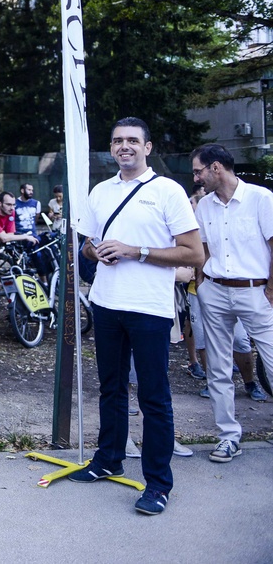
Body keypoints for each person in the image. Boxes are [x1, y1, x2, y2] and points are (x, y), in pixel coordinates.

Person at [70, 117, 202, 516]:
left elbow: (193, 254)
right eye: (117, 141)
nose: (124, 146)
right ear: (111, 149)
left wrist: (135, 251)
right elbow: (88, 245)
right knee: (110, 388)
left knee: (153, 397)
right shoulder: (101, 190)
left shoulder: (167, 191)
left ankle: (158, 484)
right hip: (107, 304)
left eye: (132, 140)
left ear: (147, 148)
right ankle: (109, 458)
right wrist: (98, 251)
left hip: (149, 309)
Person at [190, 143, 273, 463]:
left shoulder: (261, 199)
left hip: (255, 291)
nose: (196, 177)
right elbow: (204, 249)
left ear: (216, 168)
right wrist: (201, 282)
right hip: (215, 292)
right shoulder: (205, 206)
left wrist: (270, 290)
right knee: (219, 369)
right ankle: (228, 436)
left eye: (199, 170)